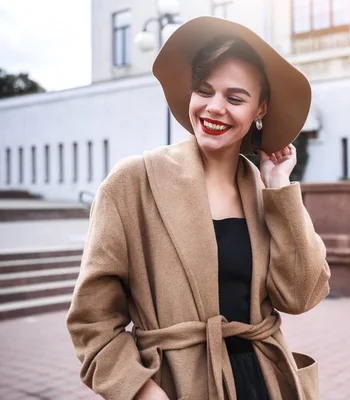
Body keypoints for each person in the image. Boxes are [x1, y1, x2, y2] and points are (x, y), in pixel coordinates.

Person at [66, 16, 330, 400]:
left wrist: (279, 188)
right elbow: (92, 321)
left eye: (235, 98)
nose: (214, 108)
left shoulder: (264, 192)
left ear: (261, 109)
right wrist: (142, 392)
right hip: (176, 386)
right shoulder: (133, 182)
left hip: (263, 383)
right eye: (204, 91)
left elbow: (301, 296)